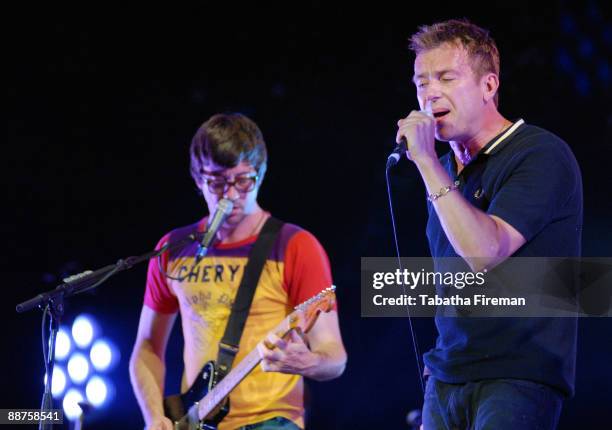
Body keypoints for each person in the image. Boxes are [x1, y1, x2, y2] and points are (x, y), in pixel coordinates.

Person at [396, 19, 582, 429]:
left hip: (517, 376)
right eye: (421, 82)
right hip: (446, 378)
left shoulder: (539, 153)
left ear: (489, 85)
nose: (430, 93)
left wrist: (425, 163)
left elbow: (484, 252)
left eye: (446, 77)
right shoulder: (445, 171)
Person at [129, 113, 347, 430]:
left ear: (261, 173)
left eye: (243, 180)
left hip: (272, 421)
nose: (230, 195)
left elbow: (336, 356)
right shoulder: (173, 249)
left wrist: (310, 362)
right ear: (197, 178)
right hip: (196, 419)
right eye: (217, 182)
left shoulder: (296, 246)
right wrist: (153, 417)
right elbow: (147, 347)